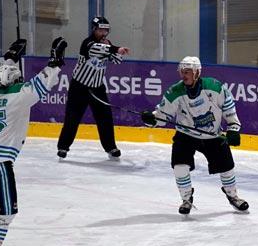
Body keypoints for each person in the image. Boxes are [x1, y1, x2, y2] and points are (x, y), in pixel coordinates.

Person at [0, 37, 67, 246]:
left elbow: (2, 77)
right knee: (7, 211)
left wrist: (12, 55)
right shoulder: (18, 97)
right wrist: (55, 61)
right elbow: (42, 82)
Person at [139, 57, 248, 215]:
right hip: (186, 135)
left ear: (197, 72)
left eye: (188, 72)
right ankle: (186, 199)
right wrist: (151, 119)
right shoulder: (175, 91)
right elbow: (162, 116)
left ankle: (233, 196)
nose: (184, 75)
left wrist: (233, 129)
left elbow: (229, 108)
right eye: (182, 72)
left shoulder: (215, 87)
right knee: (179, 165)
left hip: (212, 135)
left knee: (227, 167)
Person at [57, 16, 129, 160]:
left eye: (106, 30)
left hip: (97, 88)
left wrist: (115, 51)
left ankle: (111, 147)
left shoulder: (106, 44)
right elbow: (97, 49)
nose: (104, 33)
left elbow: (116, 60)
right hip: (80, 87)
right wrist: (115, 48)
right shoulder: (88, 43)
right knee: (72, 118)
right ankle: (63, 147)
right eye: (101, 30)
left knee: (105, 118)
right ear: (94, 29)